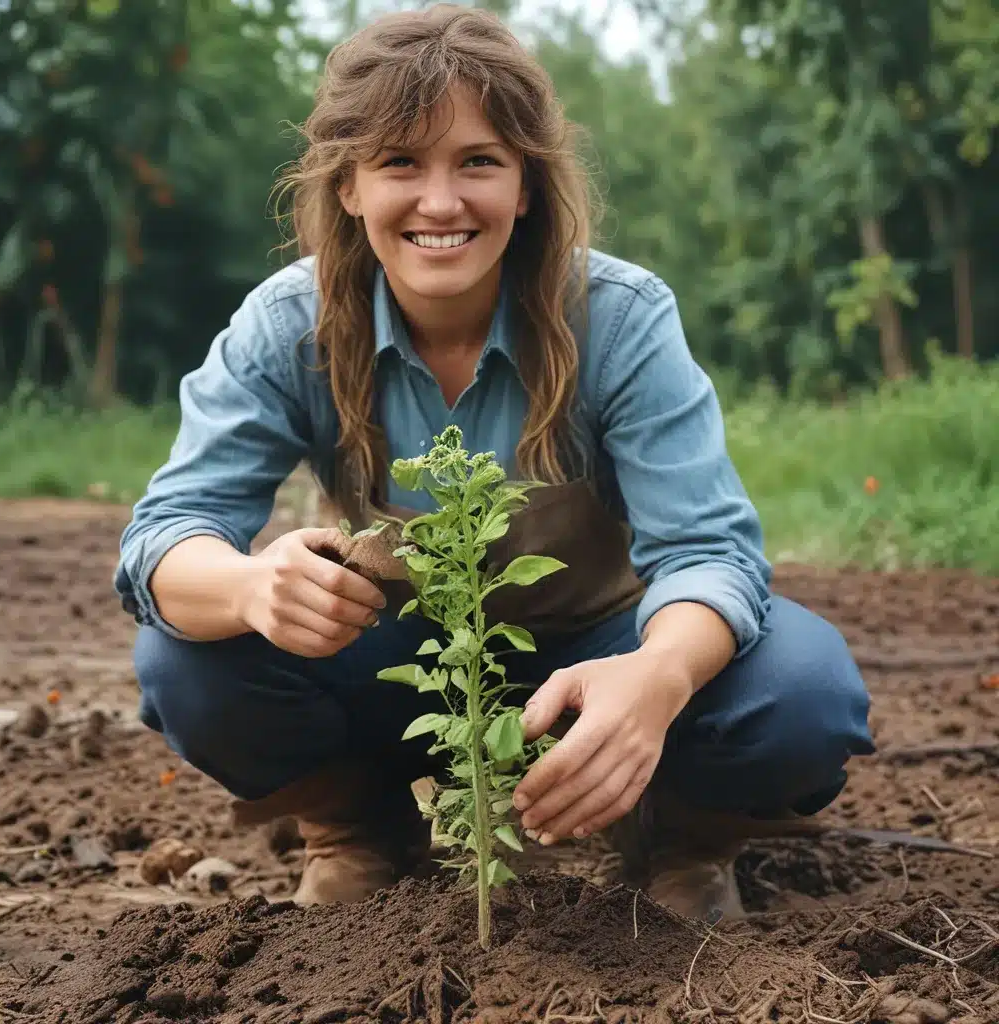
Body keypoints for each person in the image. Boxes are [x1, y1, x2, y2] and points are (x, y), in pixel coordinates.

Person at [116, 3, 875, 922]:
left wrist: (654, 680)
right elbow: (165, 536)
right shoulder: (291, 325)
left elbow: (713, 552)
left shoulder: (618, 317)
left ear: (526, 187)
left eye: (479, 160)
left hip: (601, 653)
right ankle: (357, 831)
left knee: (801, 690)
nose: (442, 202)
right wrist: (245, 588)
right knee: (188, 659)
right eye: (401, 161)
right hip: (403, 671)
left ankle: (681, 839)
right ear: (349, 186)